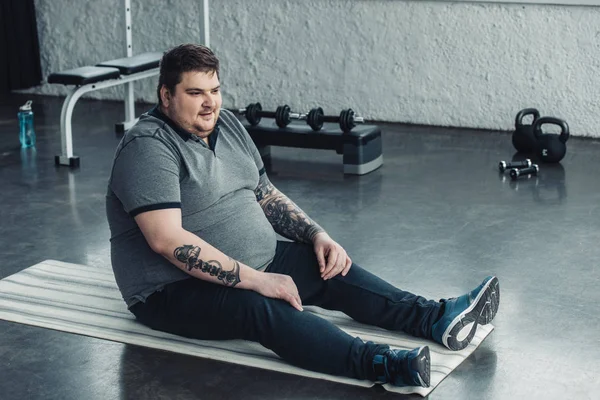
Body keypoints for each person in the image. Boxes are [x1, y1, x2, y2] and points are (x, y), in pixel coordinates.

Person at [105, 43, 500, 388]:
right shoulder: (148, 146)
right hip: (170, 291)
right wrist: (257, 281)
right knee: (261, 309)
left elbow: (263, 193)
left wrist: (316, 235)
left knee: (329, 267)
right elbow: (167, 240)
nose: (210, 103)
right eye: (195, 93)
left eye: (215, 90)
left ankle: (436, 319)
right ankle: (378, 362)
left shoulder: (225, 124)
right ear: (166, 94)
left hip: (254, 261)